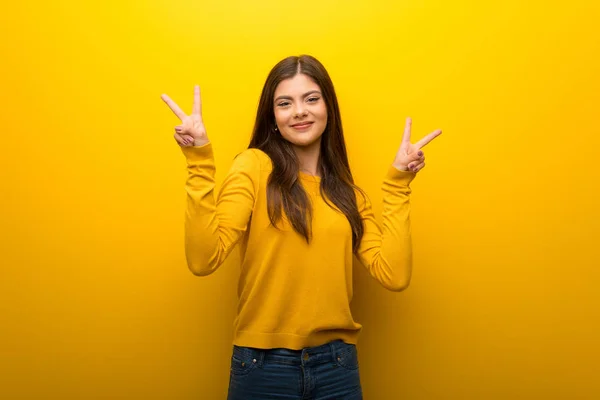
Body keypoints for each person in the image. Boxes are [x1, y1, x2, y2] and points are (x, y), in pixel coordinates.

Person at [161, 55, 442, 400]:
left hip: (338, 367)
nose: (299, 111)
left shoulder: (349, 196)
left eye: (311, 98)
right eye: (285, 103)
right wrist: (199, 159)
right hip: (262, 367)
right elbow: (204, 259)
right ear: (273, 117)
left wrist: (399, 183)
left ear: (328, 108)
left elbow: (394, 275)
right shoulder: (253, 167)